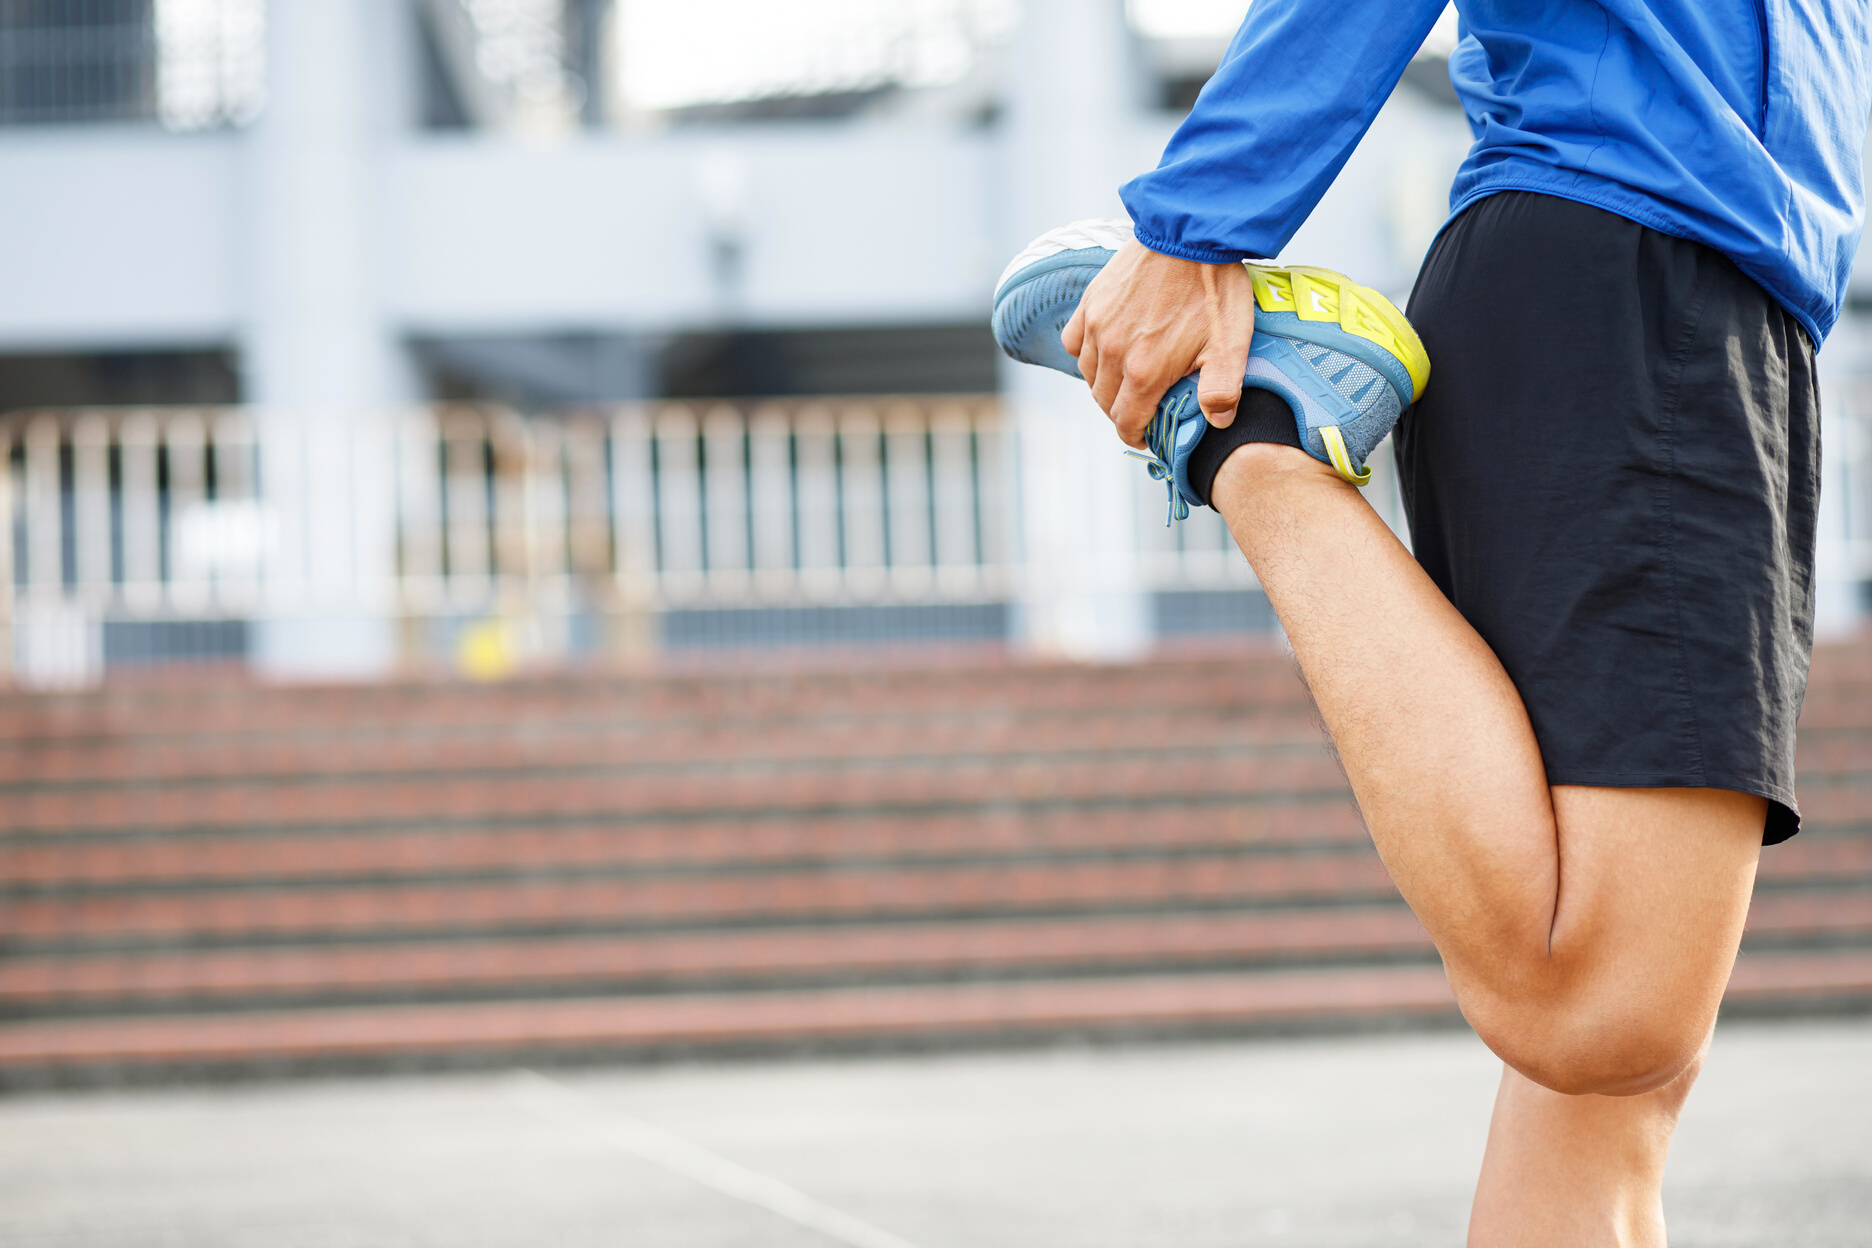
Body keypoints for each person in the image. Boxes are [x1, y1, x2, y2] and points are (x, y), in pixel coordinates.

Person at [992, 1, 1872, 1243]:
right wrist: (1201, 225)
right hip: (1638, 270)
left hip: (1693, 292)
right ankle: (1255, 432)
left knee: (1605, 1105)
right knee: (1606, 1014)